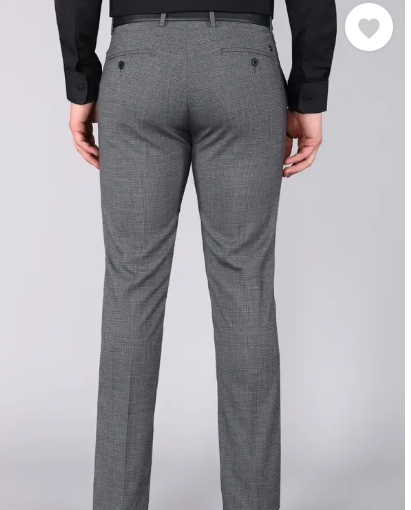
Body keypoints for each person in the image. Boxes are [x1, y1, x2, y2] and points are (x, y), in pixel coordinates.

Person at [54, 0, 336, 508]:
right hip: (243, 64)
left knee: (131, 288)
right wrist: (308, 94)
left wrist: (82, 84)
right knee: (245, 286)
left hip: (138, 62)